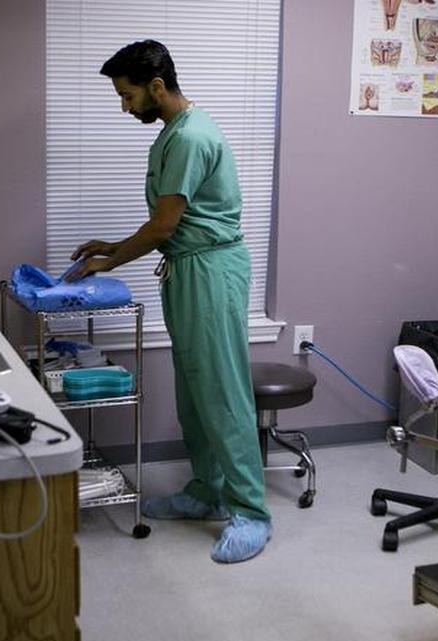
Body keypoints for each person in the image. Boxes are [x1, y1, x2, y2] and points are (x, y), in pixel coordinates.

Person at [64, 39, 272, 564]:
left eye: (128, 95)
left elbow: (163, 226)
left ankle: (251, 512)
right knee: (194, 393)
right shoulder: (172, 134)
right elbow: (168, 224)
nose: (124, 106)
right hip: (188, 269)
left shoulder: (191, 137)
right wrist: (112, 245)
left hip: (211, 273)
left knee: (222, 393)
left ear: (156, 87)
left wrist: (111, 262)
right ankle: (206, 491)